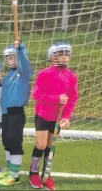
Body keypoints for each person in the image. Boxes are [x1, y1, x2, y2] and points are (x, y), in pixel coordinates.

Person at [28, 42, 79, 190]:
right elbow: (37, 95)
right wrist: (56, 98)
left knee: (50, 147)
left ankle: (46, 174)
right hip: (43, 115)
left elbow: (73, 99)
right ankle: (33, 174)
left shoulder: (71, 76)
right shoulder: (44, 73)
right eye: (61, 54)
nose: (64, 57)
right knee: (41, 145)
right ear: (52, 57)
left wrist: (66, 117)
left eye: (67, 54)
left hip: (58, 118)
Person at [0, 40, 34, 186]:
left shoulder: (23, 73)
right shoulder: (9, 75)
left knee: (15, 142)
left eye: (13, 57)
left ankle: (15, 175)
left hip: (16, 113)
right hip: (5, 113)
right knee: (7, 142)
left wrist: (21, 49)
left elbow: (26, 65)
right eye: (8, 58)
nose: (10, 60)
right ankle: (9, 169)